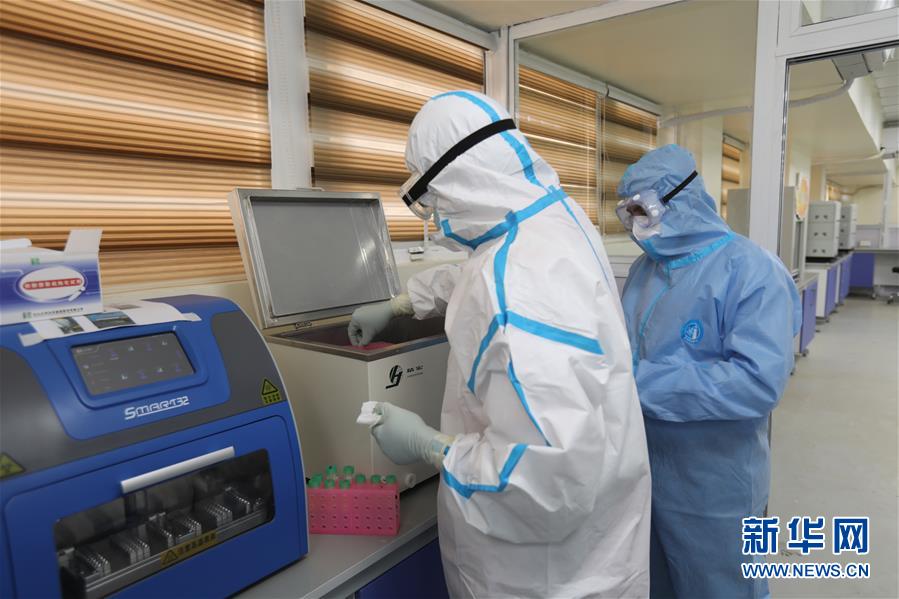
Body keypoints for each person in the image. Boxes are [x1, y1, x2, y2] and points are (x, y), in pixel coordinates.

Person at [349, 91, 651, 598]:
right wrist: (403, 303)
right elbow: (479, 271)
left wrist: (431, 446)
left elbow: (546, 481)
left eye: (428, 197)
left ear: (455, 180)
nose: (432, 213)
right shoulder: (550, 218)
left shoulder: (518, 287)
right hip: (600, 538)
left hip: (541, 576)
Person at [616, 144, 802, 598]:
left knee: (723, 585)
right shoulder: (644, 269)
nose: (638, 225)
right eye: (629, 214)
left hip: (716, 483)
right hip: (645, 470)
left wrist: (635, 384)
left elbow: (756, 383)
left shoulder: (751, 270)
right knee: (656, 581)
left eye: (644, 211)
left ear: (681, 199)